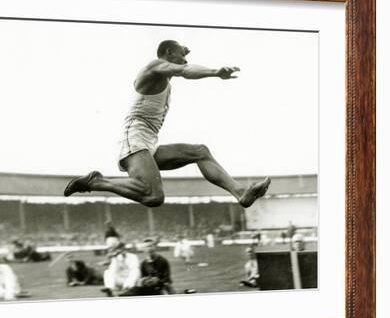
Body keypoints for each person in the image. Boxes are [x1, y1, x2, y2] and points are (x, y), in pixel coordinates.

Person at [64, 40, 270, 208]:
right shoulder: (153, 66)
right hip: (134, 139)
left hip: (149, 142)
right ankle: (97, 182)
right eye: (182, 55)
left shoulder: (164, 73)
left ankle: (241, 193)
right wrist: (215, 72)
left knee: (200, 151)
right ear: (169, 53)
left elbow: (180, 66)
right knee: (153, 196)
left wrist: (182, 53)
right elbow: (184, 70)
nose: (185, 59)